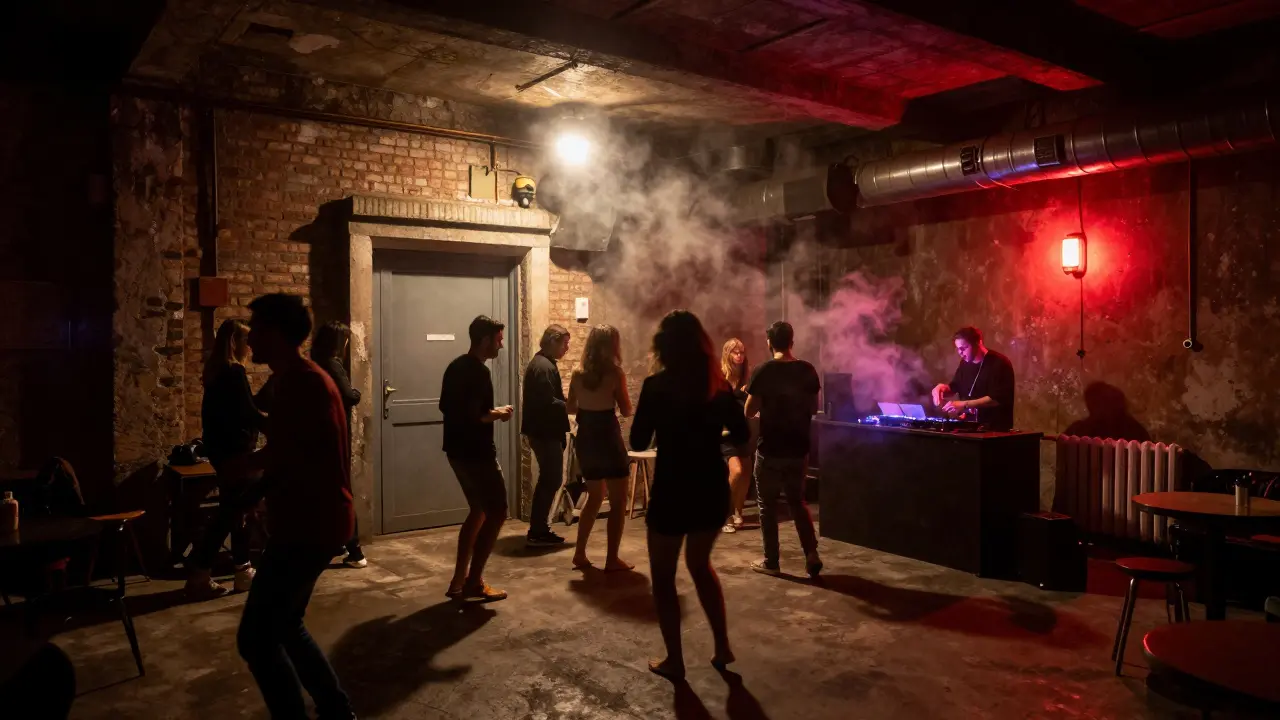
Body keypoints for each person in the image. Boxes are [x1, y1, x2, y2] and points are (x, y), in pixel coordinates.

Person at [232, 293, 355, 720]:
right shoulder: (293, 379)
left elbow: (286, 456)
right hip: (310, 521)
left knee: (256, 639)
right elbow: (288, 451)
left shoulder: (305, 382)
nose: (250, 340)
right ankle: (336, 709)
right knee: (284, 624)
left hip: (311, 524)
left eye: (257, 330)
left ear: (279, 334)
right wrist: (251, 491)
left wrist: (242, 473)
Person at [631, 310, 748, 680]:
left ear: (663, 346)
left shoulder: (656, 386)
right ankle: (722, 646)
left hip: (672, 489)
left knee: (664, 577)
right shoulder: (718, 387)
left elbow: (637, 440)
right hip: (710, 487)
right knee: (700, 566)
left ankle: (675, 661)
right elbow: (743, 435)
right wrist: (713, 434)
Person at [186, 318, 266, 599]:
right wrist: (276, 425)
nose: (250, 346)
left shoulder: (216, 372)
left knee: (237, 511)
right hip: (236, 452)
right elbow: (249, 412)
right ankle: (200, 574)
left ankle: (242, 570)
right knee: (231, 513)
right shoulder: (234, 371)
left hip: (222, 451)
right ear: (235, 342)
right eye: (246, 340)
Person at [440, 315, 512, 602]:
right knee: (498, 512)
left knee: (478, 510)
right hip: (478, 454)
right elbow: (476, 415)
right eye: (498, 340)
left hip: (455, 451)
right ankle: (473, 582)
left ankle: (458, 580)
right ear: (485, 340)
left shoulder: (455, 366)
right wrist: (499, 413)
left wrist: (488, 412)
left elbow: (446, 407)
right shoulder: (479, 373)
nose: (501, 345)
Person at [745, 321, 822, 578]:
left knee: (766, 506)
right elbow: (813, 408)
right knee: (797, 502)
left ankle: (772, 561)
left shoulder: (763, 371)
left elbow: (749, 410)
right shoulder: (808, 370)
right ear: (792, 341)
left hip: (770, 449)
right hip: (798, 448)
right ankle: (811, 554)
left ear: (769, 342)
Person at [566, 325, 634, 571]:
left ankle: (579, 553)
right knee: (618, 501)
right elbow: (626, 409)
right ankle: (611, 559)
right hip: (608, 437)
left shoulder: (577, 373)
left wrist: (588, 404)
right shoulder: (615, 374)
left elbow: (570, 407)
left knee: (594, 496)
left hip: (586, 437)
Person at [312, 321, 368, 568]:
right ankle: (355, 551)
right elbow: (349, 395)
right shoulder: (333, 364)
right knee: (341, 490)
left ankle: (336, 543)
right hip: (335, 436)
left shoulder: (315, 363)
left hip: (319, 436)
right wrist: (357, 393)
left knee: (327, 491)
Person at [521, 324, 572, 547]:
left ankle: (539, 528)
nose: (567, 348)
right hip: (545, 432)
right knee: (551, 479)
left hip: (543, 431)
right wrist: (572, 405)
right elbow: (547, 402)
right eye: (564, 343)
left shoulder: (543, 364)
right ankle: (538, 530)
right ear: (552, 341)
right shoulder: (543, 367)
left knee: (549, 478)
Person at [930, 326, 1015, 432]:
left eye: (964, 348)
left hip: (994, 430)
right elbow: (955, 386)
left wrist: (964, 405)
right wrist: (942, 389)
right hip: (970, 429)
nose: (960, 352)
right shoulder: (964, 363)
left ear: (978, 343)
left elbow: (997, 399)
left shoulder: (999, 363)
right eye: (958, 349)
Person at [719, 338, 754, 534]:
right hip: (725, 433)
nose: (739, 356)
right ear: (728, 354)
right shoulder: (720, 377)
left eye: (742, 352)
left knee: (746, 473)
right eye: (735, 352)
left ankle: (738, 511)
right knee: (737, 471)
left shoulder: (747, 377)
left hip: (743, 430)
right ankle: (726, 513)